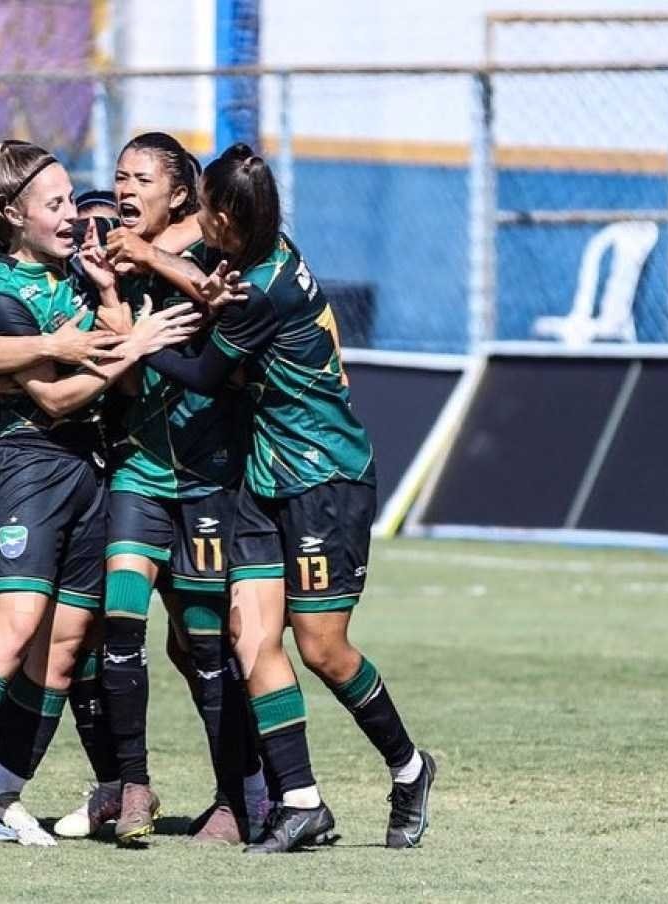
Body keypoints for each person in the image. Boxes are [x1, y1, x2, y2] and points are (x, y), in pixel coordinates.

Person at [0, 138, 197, 843]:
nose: (77, 214)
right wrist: (94, 346)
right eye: (58, 203)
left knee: (64, 642)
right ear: (12, 214)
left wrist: (116, 304)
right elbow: (3, 373)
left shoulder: (79, 273)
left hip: (87, 472)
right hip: (3, 466)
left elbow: (111, 362)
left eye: (73, 200)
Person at [143, 143, 436, 854]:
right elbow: (191, 257)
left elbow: (205, 373)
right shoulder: (259, 252)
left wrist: (132, 340)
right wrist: (150, 252)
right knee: (251, 638)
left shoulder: (259, 290)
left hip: (322, 477)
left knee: (323, 649)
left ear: (223, 218)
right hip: (265, 475)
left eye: (202, 212)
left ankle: (411, 766)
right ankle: (302, 801)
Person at [78, 132, 266, 846]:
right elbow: (126, 378)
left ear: (180, 193)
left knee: (205, 647)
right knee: (120, 620)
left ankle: (236, 795)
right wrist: (113, 307)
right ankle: (134, 787)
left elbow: (226, 307)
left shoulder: (213, 252)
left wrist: (153, 262)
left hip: (209, 479)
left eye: (140, 178)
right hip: (142, 471)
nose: (124, 190)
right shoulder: (118, 257)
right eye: (119, 176)